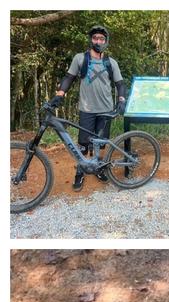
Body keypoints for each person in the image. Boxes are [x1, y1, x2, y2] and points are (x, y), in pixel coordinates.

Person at [49, 25, 127, 191]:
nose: (98, 41)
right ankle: (80, 171)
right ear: (91, 40)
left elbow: (120, 84)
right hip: (87, 109)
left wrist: (121, 100)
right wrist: (60, 94)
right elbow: (69, 77)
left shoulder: (111, 63)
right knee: (83, 144)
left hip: (106, 110)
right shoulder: (80, 59)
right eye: (95, 38)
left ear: (106, 41)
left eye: (101, 39)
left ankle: (98, 168)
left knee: (101, 143)